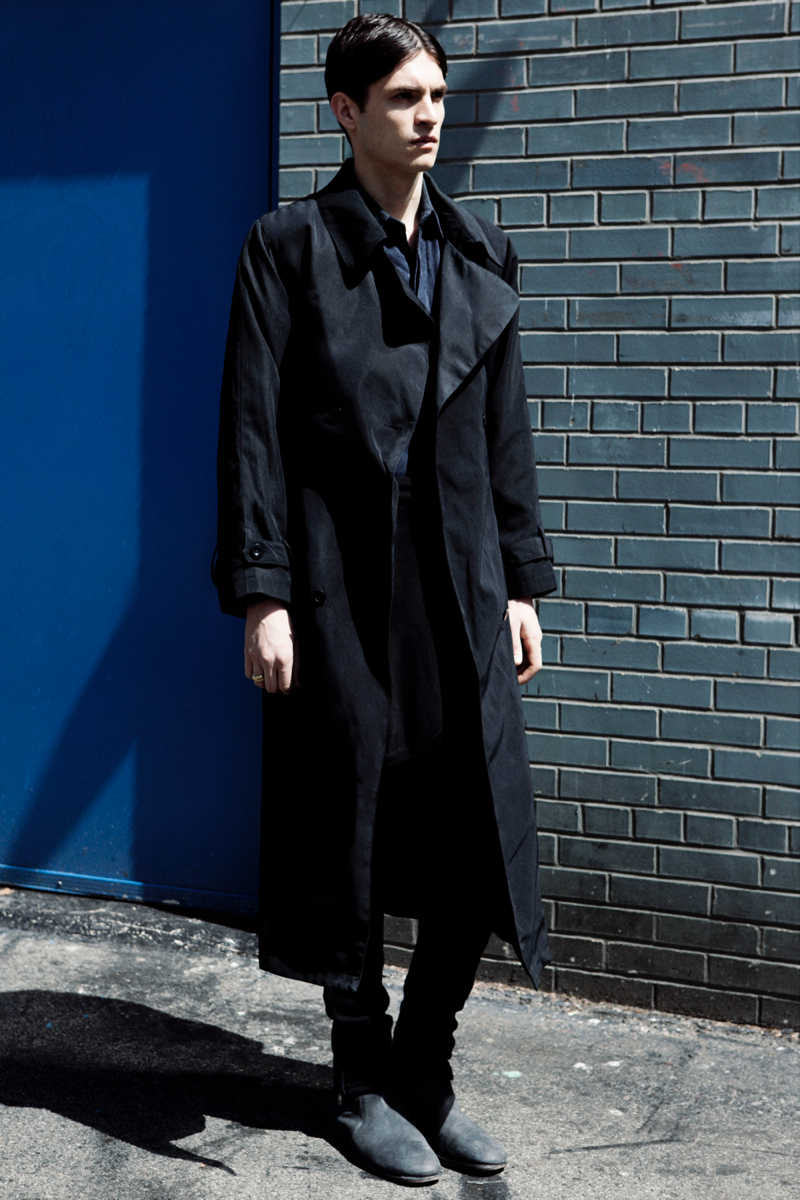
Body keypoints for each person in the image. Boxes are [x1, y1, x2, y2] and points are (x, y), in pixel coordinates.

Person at [214, 12, 556, 1185]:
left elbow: (504, 436)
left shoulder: (479, 251)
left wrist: (520, 580)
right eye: (403, 97)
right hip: (340, 589)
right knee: (346, 836)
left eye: (438, 97)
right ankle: (357, 1081)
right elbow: (251, 430)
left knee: (473, 837)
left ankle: (425, 1068)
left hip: (458, 587)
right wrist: (263, 594)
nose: (427, 116)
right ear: (344, 111)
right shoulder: (287, 247)